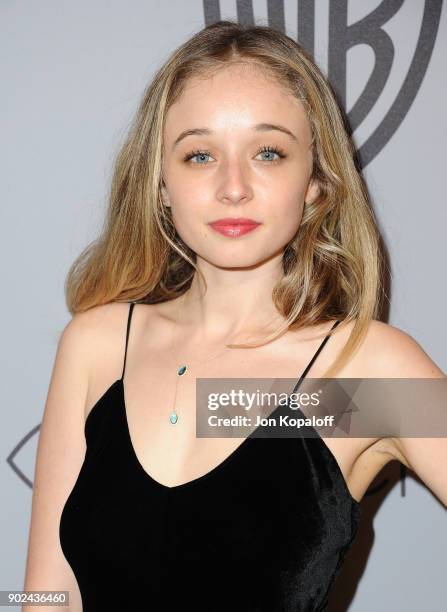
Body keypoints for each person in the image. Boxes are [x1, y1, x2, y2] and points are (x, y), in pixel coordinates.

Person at [23, 19, 446, 612]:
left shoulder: (360, 375)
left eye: (268, 152)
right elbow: (47, 592)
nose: (233, 187)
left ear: (317, 185)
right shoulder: (96, 346)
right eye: (199, 155)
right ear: (161, 185)